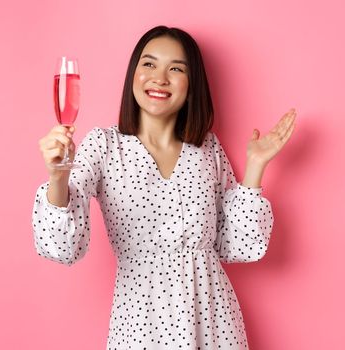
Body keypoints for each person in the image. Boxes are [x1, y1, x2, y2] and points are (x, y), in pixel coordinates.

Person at [32, 25, 296, 349]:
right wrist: (58, 175)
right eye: (149, 64)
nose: (159, 77)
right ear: (133, 74)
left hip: (213, 322)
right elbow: (62, 247)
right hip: (140, 323)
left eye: (176, 68)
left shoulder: (208, 149)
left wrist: (255, 167)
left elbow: (235, 246)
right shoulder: (104, 145)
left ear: (191, 84)